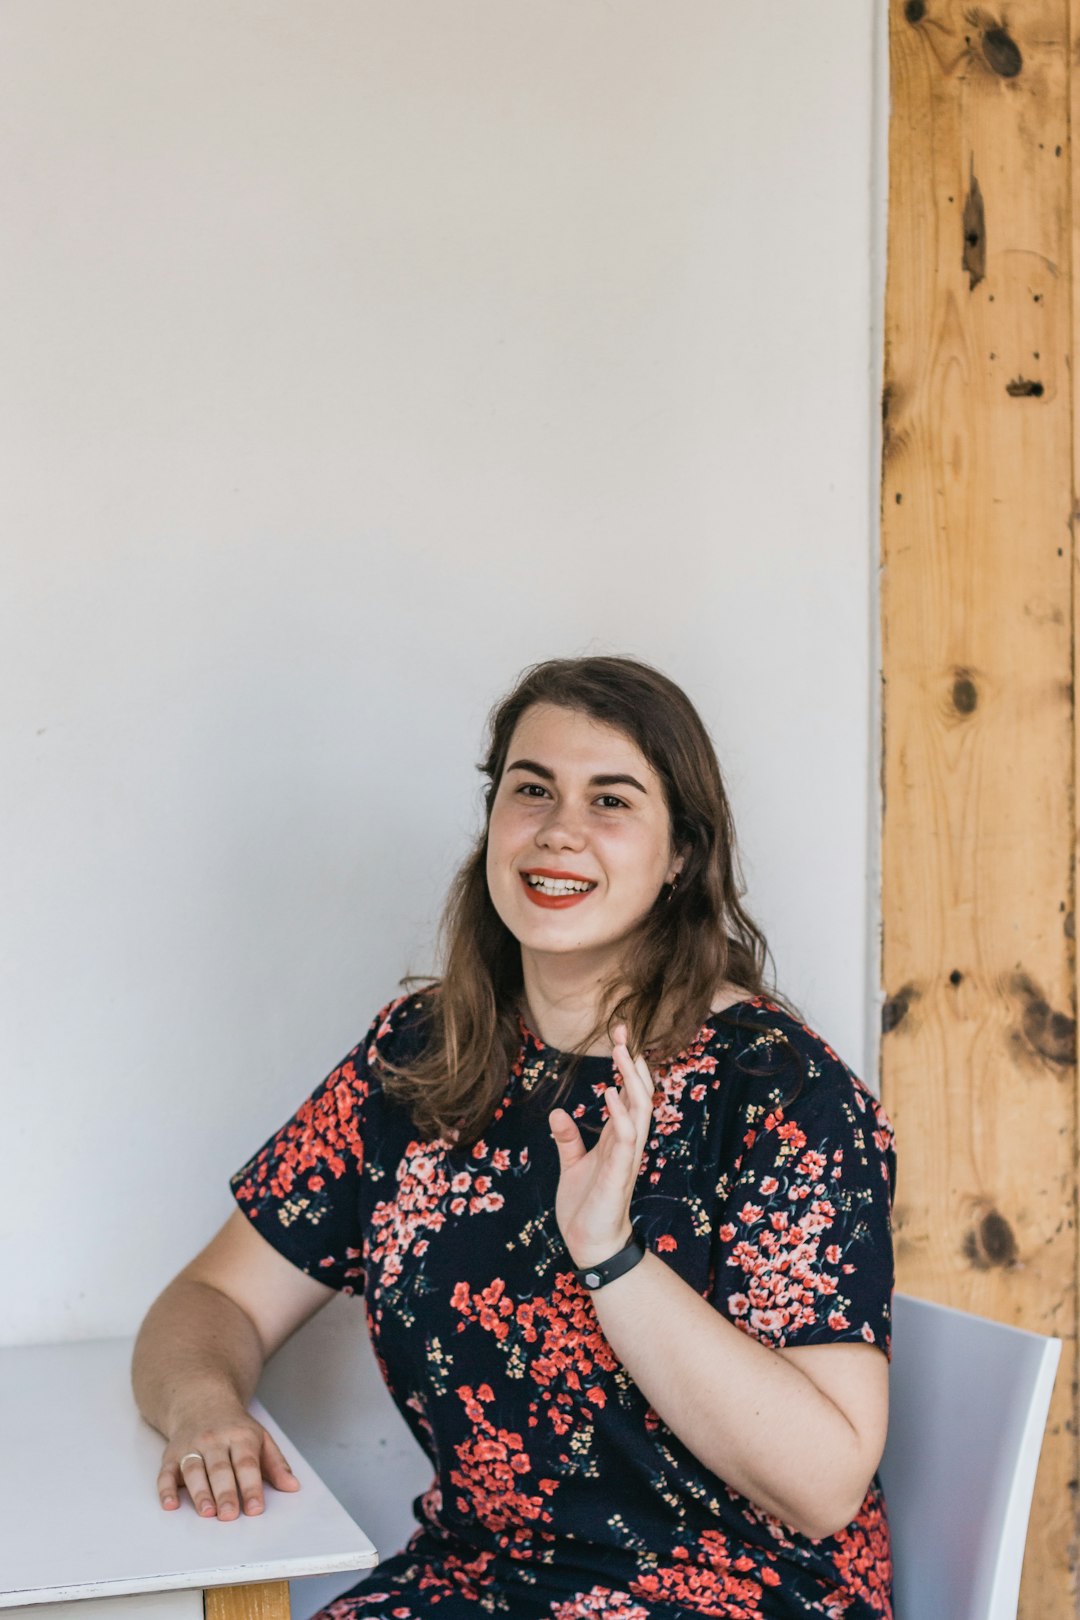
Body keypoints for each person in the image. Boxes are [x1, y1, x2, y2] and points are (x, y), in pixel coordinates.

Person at [132, 655, 895, 1620]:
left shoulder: (778, 1092)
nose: (560, 831)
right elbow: (212, 1296)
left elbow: (823, 1486)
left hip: (732, 1594)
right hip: (480, 1581)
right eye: (531, 790)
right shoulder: (421, 1058)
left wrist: (612, 1259)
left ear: (681, 857)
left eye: (611, 800)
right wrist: (204, 1406)